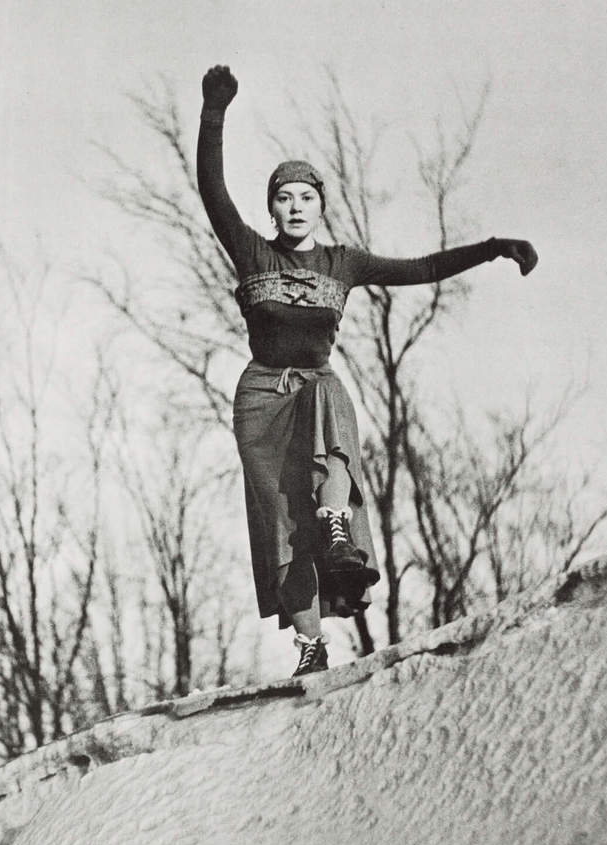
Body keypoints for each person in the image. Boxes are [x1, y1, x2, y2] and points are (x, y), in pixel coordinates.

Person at [196, 64, 537, 677]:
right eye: (285, 197)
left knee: (330, 392)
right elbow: (212, 192)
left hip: (315, 390)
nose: (296, 206)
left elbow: (423, 268)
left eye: (307, 197)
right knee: (280, 518)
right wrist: (214, 111)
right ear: (272, 208)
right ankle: (309, 645)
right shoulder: (252, 252)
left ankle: (336, 526)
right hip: (261, 401)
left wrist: (491, 249)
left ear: (321, 207)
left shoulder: (342, 263)